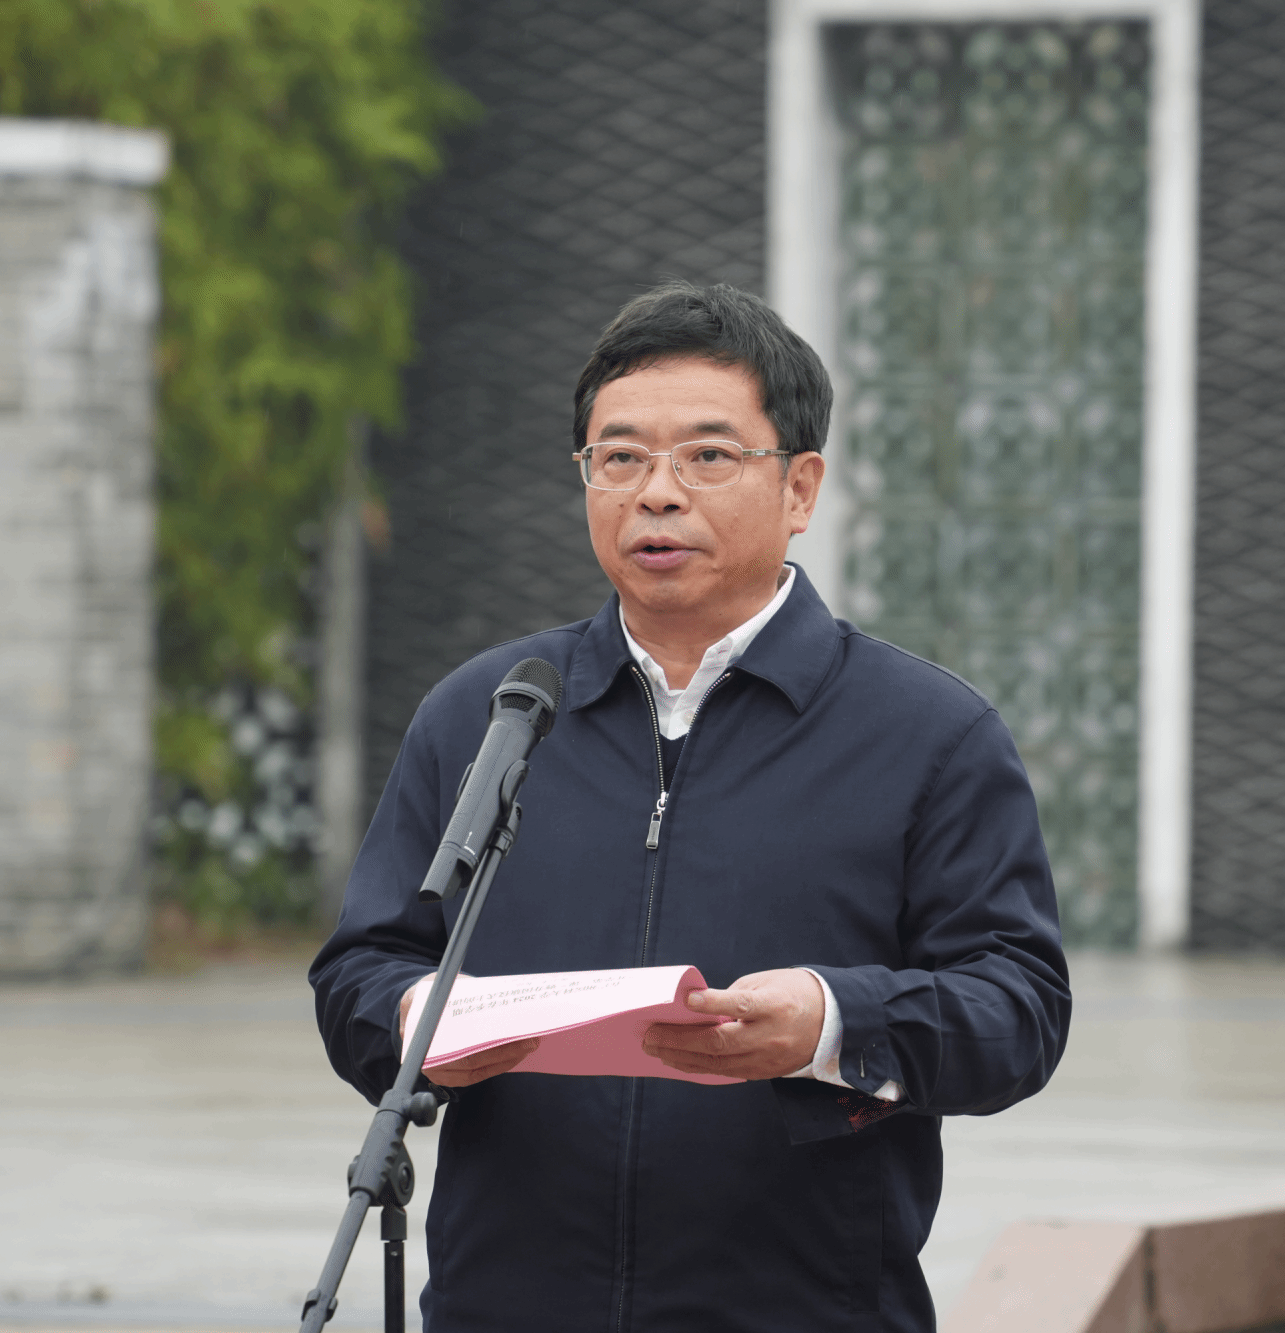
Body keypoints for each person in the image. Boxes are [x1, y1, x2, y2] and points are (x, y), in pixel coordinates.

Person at [311, 280, 1070, 1332]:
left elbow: (1019, 1008)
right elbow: (360, 966)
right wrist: (417, 1020)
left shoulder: (929, 734)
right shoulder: (492, 713)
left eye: (707, 456)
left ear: (800, 487)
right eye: (619, 458)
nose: (656, 493)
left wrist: (830, 1023)